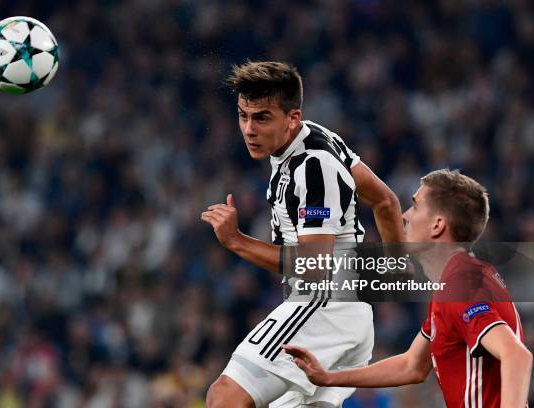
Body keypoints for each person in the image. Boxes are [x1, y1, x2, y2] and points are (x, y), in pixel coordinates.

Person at [201, 61, 403, 407]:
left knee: (224, 397)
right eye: (243, 115)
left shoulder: (313, 167)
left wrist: (236, 240)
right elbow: (385, 201)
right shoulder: (318, 137)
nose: (249, 129)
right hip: (347, 314)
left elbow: (314, 265)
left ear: (291, 118)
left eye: (262, 117)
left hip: (322, 307)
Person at [283, 169, 533, 408]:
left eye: (415, 206)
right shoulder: (460, 278)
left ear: (437, 225)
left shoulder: (460, 284)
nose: (405, 215)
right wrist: (328, 378)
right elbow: (413, 365)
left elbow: (517, 356)